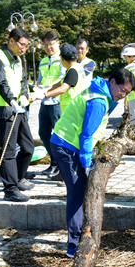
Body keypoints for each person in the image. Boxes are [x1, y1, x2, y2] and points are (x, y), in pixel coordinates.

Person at [50, 68, 135, 258]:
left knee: (80, 191)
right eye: (122, 90)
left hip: (70, 144)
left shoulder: (102, 92)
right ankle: (73, 247)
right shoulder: (98, 101)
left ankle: (80, 237)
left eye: (127, 93)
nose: (123, 95)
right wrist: (87, 164)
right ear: (112, 82)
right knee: (76, 193)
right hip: (66, 145)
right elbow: (86, 135)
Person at [31, 44, 92, 181]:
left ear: (62, 59)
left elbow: (63, 88)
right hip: (74, 112)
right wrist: (46, 89)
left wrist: (44, 95)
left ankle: (68, 175)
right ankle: (64, 172)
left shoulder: (72, 71)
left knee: (66, 144)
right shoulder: (77, 68)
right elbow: (62, 83)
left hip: (72, 113)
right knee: (65, 143)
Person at [0, 28, 35, 202]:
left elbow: (22, 80)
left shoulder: (17, 59)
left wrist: (23, 95)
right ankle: (10, 189)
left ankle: (19, 178)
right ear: (12, 41)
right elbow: (1, 82)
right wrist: (11, 101)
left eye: (26, 46)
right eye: (22, 44)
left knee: (28, 147)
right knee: (8, 151)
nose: (24, 48)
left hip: (19, 109)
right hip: (6, 110)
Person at [32, 30, 64, 177]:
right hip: (44, 101)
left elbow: (62, 79)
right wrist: (37, 86)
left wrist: (46, 89)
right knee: (43, 133)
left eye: (51, 44)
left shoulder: (63, 59)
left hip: (57, 101)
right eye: (45, 45)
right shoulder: (43, 61)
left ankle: (60, 165)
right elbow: (40, 79)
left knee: (58, 134)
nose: (49, 48)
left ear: (58, 43)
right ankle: (54, 162)